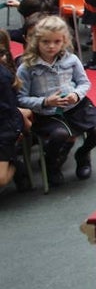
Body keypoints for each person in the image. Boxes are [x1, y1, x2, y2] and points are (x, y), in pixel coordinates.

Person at [16, 16, 96, 185]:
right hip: (48, 114)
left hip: (76, 108)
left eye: (57, 42)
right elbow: (21, 98)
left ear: (64, 41)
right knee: (60, 135)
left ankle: (82, 155)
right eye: (46, 42)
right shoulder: (26, 66)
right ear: (36, 41)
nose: (51, 46)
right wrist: (45, 101)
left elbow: (84, 83)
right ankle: (52, 164)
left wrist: (77, 95)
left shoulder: (71, 59)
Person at [0, 30, 32, 192]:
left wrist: (19, 125)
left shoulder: (3, 77)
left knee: (1, 180)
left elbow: (9, 110)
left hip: (5, 126)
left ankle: (16, 163)